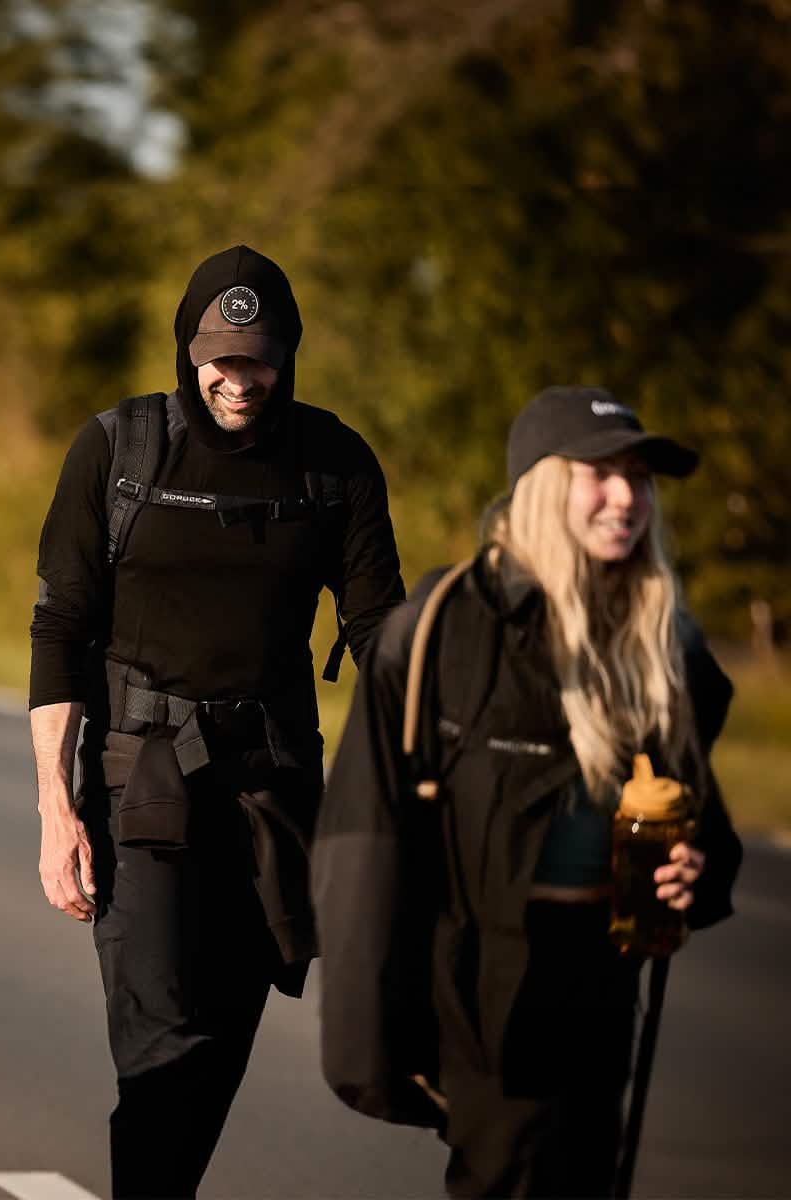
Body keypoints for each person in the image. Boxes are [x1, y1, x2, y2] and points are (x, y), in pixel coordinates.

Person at [29, 244, 406, 1198]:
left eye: (260, 358)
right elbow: (60, 632)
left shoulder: (335, 462)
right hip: (138, 780)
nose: (240, 380)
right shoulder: (118, 450)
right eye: (222, 357)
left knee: (228, 1030)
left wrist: (424, 763)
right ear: (189, 350)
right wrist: (55, 809)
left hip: (271, 786)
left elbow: (377, 632)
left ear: (288, 354)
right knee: (163, 1037)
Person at [313, 385, 743, 1198]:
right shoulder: (446, 626)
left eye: (641, 478)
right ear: (544, 484)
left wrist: (693, 872)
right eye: (602, 475)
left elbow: (704, 825)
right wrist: (361, 1041)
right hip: (488, 982)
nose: (629, 497)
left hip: (606, 975)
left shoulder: (662, 643)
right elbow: (360, 833)